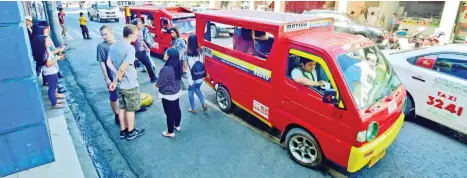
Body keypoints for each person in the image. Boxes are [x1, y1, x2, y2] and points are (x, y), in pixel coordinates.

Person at [107, 24, 145, 140]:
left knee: (122, 107)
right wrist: (116, 78)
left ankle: (123, 131)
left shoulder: (113, 46)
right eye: (136, 35)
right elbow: (123, 67)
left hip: (120, 85)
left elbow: (109, 63)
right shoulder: (129, 48)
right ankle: (131, 131)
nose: (137, 37)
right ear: (130, 35)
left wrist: (115, 80)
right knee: (131, 109)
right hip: (130, 84)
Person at [32, 35, 65, 109]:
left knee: (53, 87)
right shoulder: (44, 53)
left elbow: (50, 58)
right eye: (48, 41)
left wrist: (58, 57)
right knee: (52, 88)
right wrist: (56, 58)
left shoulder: (45, 50)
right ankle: (54, 103)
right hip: (50, 73)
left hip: (52, 72)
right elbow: (48, 64)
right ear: (42, 43)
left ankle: (55, 97)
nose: (50, 41)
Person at [97, 25, 120, 125]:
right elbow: (102, 62)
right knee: (113, 96)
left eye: (105, 34)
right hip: (111, 75)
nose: (104, 37)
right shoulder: (101, 46)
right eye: (102, 35)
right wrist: (106, 78)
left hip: (122, 74)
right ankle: (117, 115)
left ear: (111, 32)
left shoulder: (119, 43)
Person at [157, 48, 183, 138]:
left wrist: (157, 85)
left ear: (169, 57)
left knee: (169, 113)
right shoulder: (178, 65)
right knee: (176, 108)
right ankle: (177, 125)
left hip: (167, 94)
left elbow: (159, 83)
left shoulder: (166, 69)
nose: (164, 54)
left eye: (166, 53)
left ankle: (170, 132)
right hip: (176, 91)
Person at [183, 35, 207, 114]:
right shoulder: (201, 50)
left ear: (188, 42)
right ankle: (203, 103)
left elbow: (185, 67)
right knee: (197, 89)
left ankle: (193, 108)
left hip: (192, 77)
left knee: (191, 92)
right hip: (201, 75)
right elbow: (203, 62)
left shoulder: (186, 53)